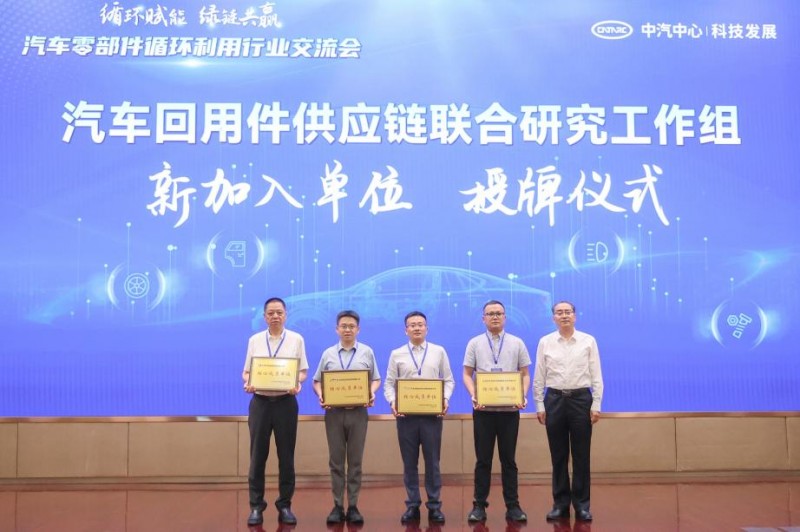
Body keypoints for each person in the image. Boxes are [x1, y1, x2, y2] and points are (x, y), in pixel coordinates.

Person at [533, 301, 604, 522]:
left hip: (581, 399)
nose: (564, 316)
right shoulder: (545, 342)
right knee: (558, 455)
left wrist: (596, 404)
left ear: (575, 316)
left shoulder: (588, 341)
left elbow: (596, 374)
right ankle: (560, 505)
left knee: (581, 455)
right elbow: (539, 375)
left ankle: (582, 506)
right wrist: (539, 404)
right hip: (554, 399)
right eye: (559, 312)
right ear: (553, 317)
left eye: (568, 312)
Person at [384, 311, 455, 525]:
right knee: (409, 463)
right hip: (406, 417)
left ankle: (434, 506)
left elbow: (449, 380)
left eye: (420, 324)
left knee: (432, 462)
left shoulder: (438, 351)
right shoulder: (396, 354)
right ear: (405, 330)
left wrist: (444, 399)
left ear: (427, 328)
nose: (416, 328)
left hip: (432, 416)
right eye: (412, 325)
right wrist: (393, 402)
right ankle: (412, 505)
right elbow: (389, 384)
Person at [242, 297, 309, 526]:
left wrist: (297, 383)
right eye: (270, 313)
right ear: (264, 316)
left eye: (279, 312)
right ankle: (256, 506)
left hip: (285, 403)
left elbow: (302, 371)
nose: (275, 316)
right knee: (257, 456)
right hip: (260, 403)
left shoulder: (296, 339)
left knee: (286, 457)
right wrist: (249, 382)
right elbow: (246, 372)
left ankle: (285, 505)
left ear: (286, 315)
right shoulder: (254, 340)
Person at [463, 300, 530, 523]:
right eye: (490, 314)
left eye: (499, 313)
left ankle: (513, 506)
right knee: (483, 460)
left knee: (509, 460)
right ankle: (479, 506)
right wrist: (474, 394)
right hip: (483, 411)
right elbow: (467, 374)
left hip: (509, 411)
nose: (495, 317)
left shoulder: (517, 343)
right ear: (483, 318)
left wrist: (522, 395)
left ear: (505, 317)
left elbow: (525, 374)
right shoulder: (474, 343)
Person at [312, 310, 381, 525]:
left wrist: (371, 392)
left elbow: (376, 379)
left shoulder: (367, 352)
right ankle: (337, 506)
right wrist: (321, 394)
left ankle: (353, 506)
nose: (347, 329)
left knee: (355, 461)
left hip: (358, 413)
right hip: (334, 413)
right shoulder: (328, 354)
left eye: (351, 326)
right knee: (336, 461)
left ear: (358, 329)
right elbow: (317, 381)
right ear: (337, 329)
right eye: (343, 326)